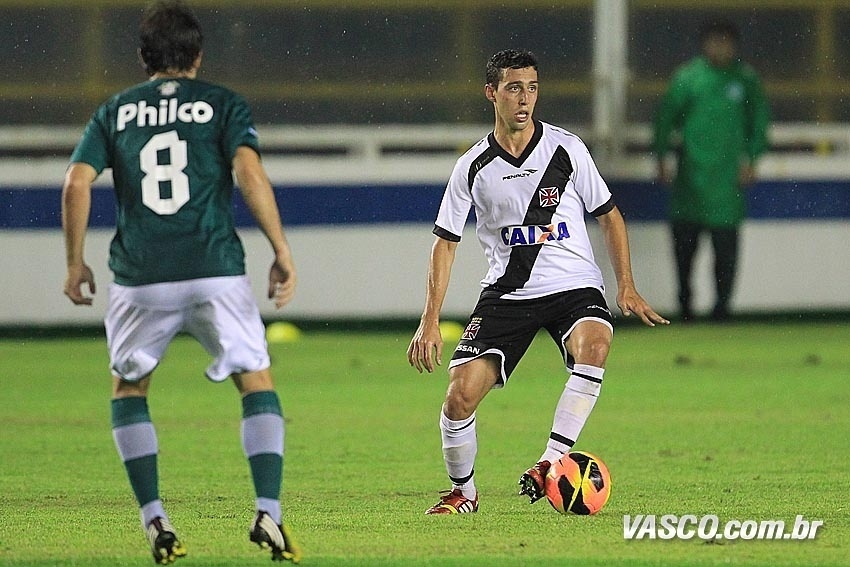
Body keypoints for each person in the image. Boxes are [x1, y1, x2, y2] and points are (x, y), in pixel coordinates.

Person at [61, 1, 301, 563]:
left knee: (130, 390)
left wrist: (75, 263)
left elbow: (76, 183)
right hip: (214, 268)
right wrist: (280, 249)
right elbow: (248, 173)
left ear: (144, 56)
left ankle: (155, 520)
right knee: (256, 380)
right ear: (197, 55)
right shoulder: (221, 104)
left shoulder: (115, 110)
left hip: (139, 277)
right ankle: (268, 510)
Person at [407, 49, 668, 515]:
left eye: (531, 87)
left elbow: (609, 216)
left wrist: (625, 284)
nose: (524, 98)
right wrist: (429, 320)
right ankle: (462, 492)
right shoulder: (473, 166)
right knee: (459, 396)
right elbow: (444, 242)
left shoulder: (566, 148)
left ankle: (550, 462)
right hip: (509, 293)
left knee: (596, 345)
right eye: (513, 87)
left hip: (574, 286)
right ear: (492, 93)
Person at [653, 17, 770, 321]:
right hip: (690, 181)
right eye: (714, 41)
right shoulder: (688, 78)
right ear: (705, 44)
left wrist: (752, 159)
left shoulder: (744, 80)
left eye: (725, 42)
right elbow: (665, 119)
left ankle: (722, 309)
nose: (720, 48)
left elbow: (759, 123)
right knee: (684, 252)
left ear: (734, 45)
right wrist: (662, 157)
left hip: (727, 181)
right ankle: (685, 307)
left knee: (726, 254)